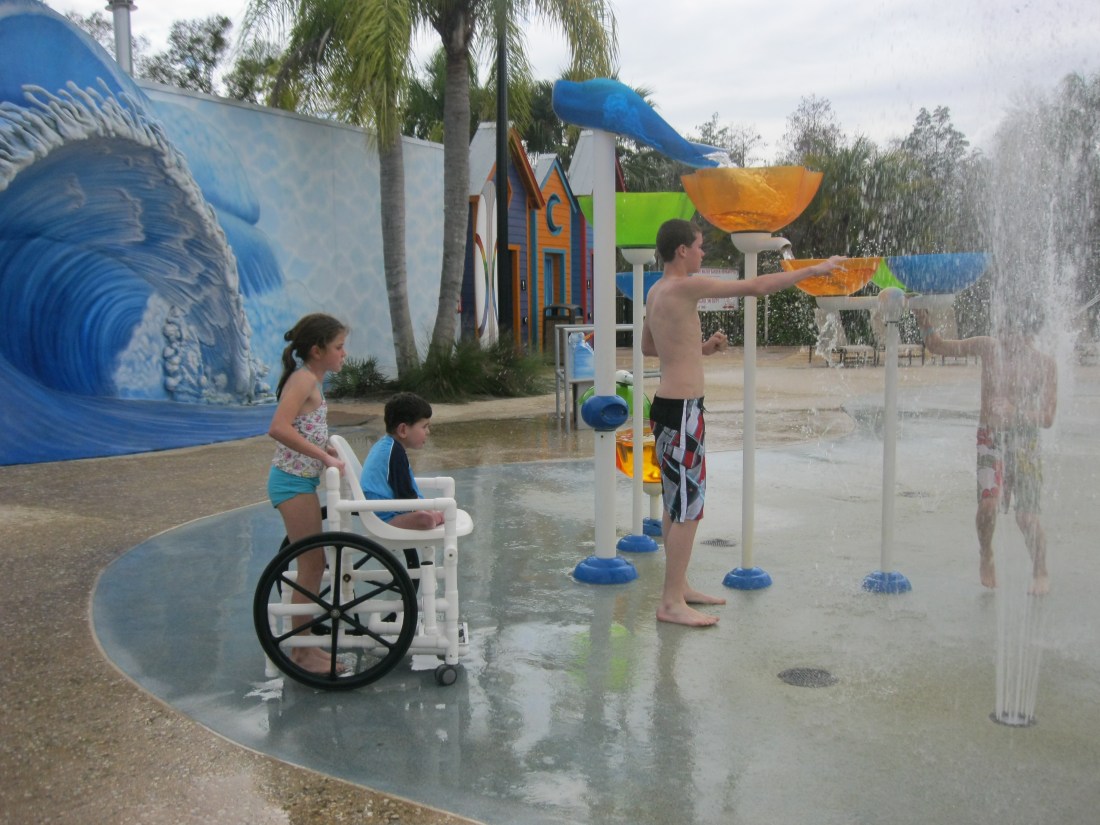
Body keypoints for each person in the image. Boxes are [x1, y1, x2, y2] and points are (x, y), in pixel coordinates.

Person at [641, 219, 846, 626]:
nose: (702, 254)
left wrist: (702, 349)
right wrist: (814, 270)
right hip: (683, 412)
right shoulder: (684, 286)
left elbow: (651, 345)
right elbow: (757, 287)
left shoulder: (656, 291)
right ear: (682, 250)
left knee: (674, 502)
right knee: (689, 508)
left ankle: (678, 587)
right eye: (699, 247)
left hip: (668, 407)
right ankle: (669, 603)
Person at [915, 307, 1056, 594]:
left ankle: (1040, 570)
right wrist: (925, 322)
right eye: (1002, 333)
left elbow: (1048, 418)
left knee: (1026, 517)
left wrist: (1016, 411)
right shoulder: (988, 347)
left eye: (1013, 335)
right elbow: (938, 346)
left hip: (1025, 443)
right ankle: (986, 553)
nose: (1006, 341)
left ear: (1030, 335)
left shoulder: (1045, 364)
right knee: (988, 506)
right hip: (990, 438)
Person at [267, 313, 348, 672]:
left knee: (315, 564)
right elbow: (279, 428)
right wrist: (323, 458)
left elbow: (305, 428)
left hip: (302, 481)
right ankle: (301, 651)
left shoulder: (313, 380)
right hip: (291, 482)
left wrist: (325, 452)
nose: (343, 354)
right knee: (311, 564)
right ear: (317, 350)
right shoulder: (303, 380)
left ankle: (307, 643)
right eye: (338, 347)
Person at [361, 392, 445, 530]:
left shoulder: (388, 446)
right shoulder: (394, 453)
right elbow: (406, 496)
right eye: (424, 426)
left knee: (428, 514)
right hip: (384, 518)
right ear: (403, 430)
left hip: (382, 511)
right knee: (426, 520)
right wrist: (433, 515)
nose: (428, 432)